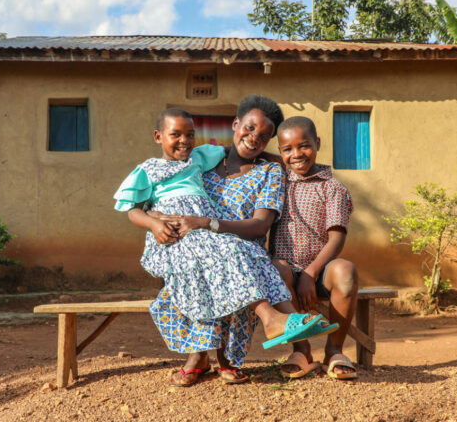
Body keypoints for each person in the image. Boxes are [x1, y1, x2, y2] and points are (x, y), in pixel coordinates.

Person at [115, 104, 336, 386]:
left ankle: (280, 330)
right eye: (250, 128)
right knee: (218, 262)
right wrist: (155, 218)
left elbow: (260, 223)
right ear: (235, 124)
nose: (255, 137)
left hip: (227, 241)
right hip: (181, 238)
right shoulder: (201, 160)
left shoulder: (259, 169)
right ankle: (209, 351)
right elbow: (136, 205)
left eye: (265, 135)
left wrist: (277, 155)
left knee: (244, 257)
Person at [270, 114, 359, 380]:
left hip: (319, 272)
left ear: (317, 143)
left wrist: (309, 274)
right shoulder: (275, 183)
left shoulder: (333, 188)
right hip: (285, 273)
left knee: (346, 270)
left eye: (304, 145)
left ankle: (334, 350)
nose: (296, 154)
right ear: (280, 153)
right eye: (287, 149)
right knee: (276, 269)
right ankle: (302, 350)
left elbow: (336, 239)